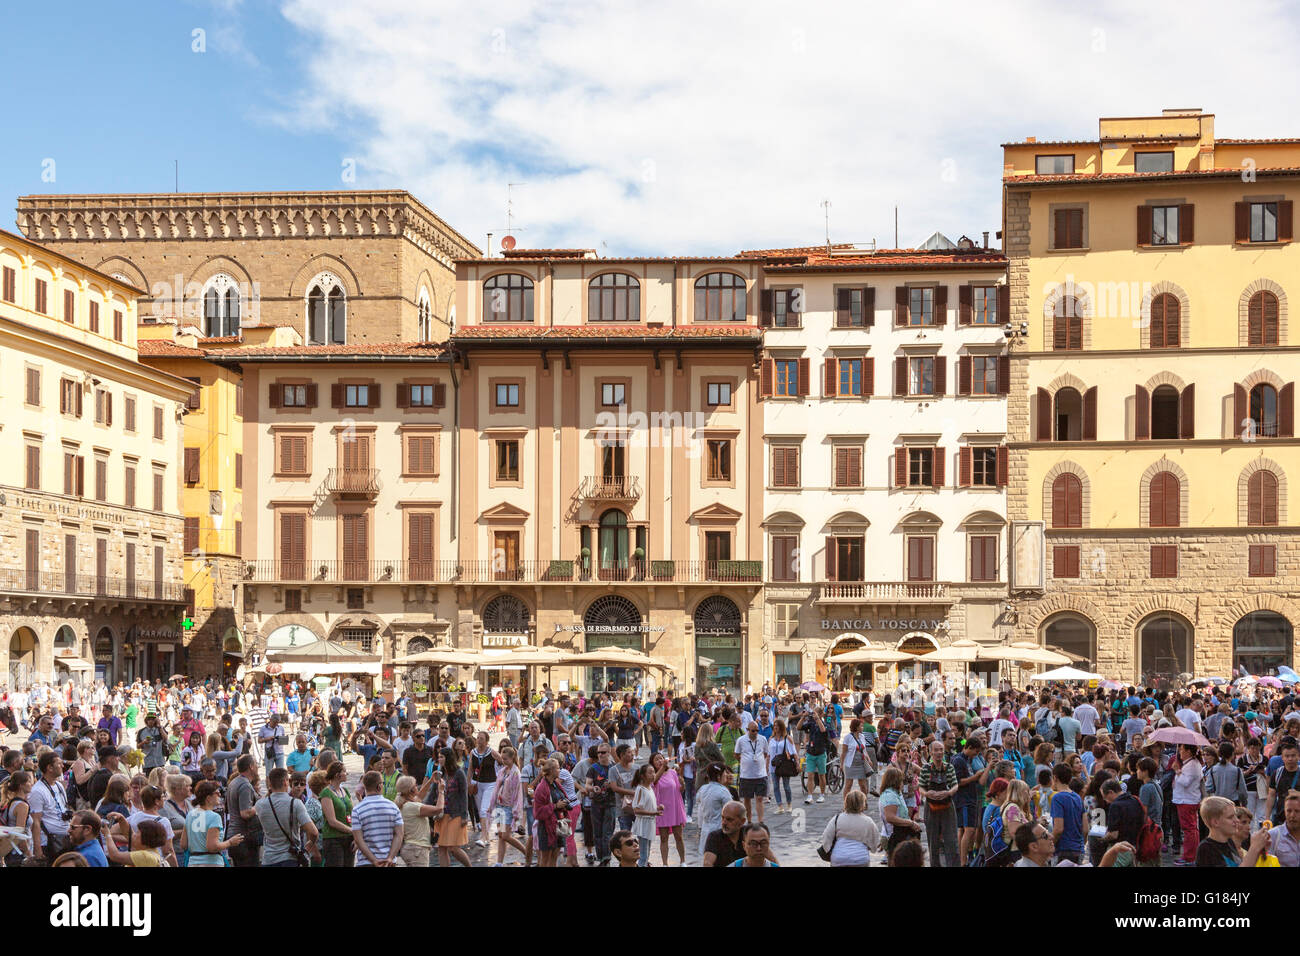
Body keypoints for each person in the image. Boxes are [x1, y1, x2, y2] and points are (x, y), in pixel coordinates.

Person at [255, 766, 318, 867]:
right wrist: (307, 848)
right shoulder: (296, 803)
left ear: (270, 784)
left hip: (269, 858)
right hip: (289, 858)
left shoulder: (260, 805)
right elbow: (314, 832)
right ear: (286, 782)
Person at [918, 740, 959, 867]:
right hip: (931, 808)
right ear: (930, 752)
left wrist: (948, 793)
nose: (939, 753)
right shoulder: (925, 768)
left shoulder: (949, 767)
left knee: (951, 840)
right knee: (933, 841)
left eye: (941, 749)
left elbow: (955, 785)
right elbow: (921, 787)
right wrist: (927, 794)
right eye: (936, 750)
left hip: (948, 807)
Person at [351, 770, 403, 867]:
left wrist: (374, 860)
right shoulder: (393, 807)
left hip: (366, 862)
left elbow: (358, 840)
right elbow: (399, 835)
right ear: (379, 786)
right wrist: (390, 857)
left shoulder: (357, 809)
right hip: (389, 862)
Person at [186, 779, 241, 866]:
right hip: (211, 862)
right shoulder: (214, 817)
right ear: (208, 798)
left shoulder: (190, 814)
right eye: (216, 792)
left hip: (193, 862)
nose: (219, 794)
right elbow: (212, 847)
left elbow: (183, 844)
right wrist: (230, 842)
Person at [433, 746, 472, 868]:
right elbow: (435, 792)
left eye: (442, 757)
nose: (439, 759)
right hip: (442, 813)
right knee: (441, 847)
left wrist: (464, 816)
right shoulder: (441, 773)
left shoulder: (459, 773)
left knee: (453, 848)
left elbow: (464, 795)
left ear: (448, 758)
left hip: (456, 814)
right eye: (438, 757)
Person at [819, 788, 879, 867]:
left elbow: (826, 837)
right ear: (863, 804)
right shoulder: (868, 821)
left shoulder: (837, 818)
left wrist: (829, 850)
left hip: (839, 858)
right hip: (860, 859)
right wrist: (871, 848)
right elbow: (875, 842)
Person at [29, 752, 71, 863]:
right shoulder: (37, 791)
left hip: (65, 839)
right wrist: (37, 850)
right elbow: (35, 822)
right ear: (49, 768)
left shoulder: (59, 785)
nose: (62, 766)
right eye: (59, 763)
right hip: (49, 843)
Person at [650, 751, 687, 866]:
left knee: (679, 837)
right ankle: (665, 863)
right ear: (652, 763)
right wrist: (663, 767)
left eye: (661, 758)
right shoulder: (652, 776)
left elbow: (679, 789)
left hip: (675, 807)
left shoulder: (672, 773)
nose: (660, 761)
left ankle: (683, 861)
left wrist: (682, 783)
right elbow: (654, 781)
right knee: (664, 838)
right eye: (657, 759)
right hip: (662, 810)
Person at [225, 754, 263, 866]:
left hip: (236, 836)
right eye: (256, 764)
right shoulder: (245, 785)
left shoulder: (234, 782)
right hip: (243, 839)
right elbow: (245, 813)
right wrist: (260, 805)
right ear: (251, 766)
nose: (257, 767)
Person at [394, 774, 437, 867]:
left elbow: (420, 796)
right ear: (411, 790)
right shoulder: (412, 806)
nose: (417, 786)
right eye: (415, 785)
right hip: (417, 849)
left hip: (410, 848)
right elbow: (439, 809)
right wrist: (441, 792)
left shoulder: (403, 803)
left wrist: (430, 781)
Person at [1172, 743, 1203, 866]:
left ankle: (1189, 856)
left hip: (1187, 800)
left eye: (1182, 750)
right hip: (1187, 799)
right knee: (1192, 829)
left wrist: (1177, 771)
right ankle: (1191, 854)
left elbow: (1185, 782)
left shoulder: (1192, 765)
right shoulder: (1192, 763)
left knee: (1189, 829)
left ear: (1188, 751)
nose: (1180, 752)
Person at [694, 762, 732, 862]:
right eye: (725, 774)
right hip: (720, 830)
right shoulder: (723, 791)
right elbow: (731, 809)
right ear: (719, 777)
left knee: (707, 860)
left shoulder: (703, 789)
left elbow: (698, 800)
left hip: (705, 830)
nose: (727, 776)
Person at [1049, 762, 1085, 864]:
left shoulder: (1057, 798)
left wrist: (1050, 845)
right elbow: (1085, 828)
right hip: (1079, 848)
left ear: (1055, 778)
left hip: (1064, 849)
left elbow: (1059, 829)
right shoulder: (1077, 797)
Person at [735, 718, 769, 823]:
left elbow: (765, 753)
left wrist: (759, 762)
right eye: (753, 731)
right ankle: (749, 820)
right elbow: (736, 754)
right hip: (746, 775)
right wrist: (745, 762)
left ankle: (760, 821)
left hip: (760, 774)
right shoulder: (741, 740)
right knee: (747, 799)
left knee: (759, 798)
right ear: (747, 730)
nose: (755, 733)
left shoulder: (762, 739)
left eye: (757, 730)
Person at [1195, 796, 1242, 867]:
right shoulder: (1206, 848)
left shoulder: (1229, 841)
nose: (1237, 820)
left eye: (1235, 816)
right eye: (1230, 817)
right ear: (1215, 822)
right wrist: (1254, 849)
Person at [629, 762, 661, 866]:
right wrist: (653, 812)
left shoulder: (650, 788)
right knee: (643, 855)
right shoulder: (640, 789)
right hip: (643, 824)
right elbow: (636, 810)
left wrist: (657, 808)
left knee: (646, 854)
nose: (653, 775)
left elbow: (648, 806)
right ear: (642, 776)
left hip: (650, 823)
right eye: (650, 773)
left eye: (654, 772)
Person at [702, 800, 746, 867]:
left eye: (729, 819)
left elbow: (765, 855)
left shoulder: (749, 834)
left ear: (742, 821)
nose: (724, 823)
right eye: (722, 818)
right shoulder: (715, 837)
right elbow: (707, 863)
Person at [767, 719, 796, 814]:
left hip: (784, 765)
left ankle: (789, 804)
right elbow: (768, 754)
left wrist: (797, 763)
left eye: (778, 726)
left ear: (782, 727)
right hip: (773, 766)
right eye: (774, 726)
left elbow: (793, 752)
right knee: (775, 786)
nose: (776, 727)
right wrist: (766, 766)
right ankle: (780, 806)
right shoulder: (771, 739)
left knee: (786, 786)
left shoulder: (787, 738)